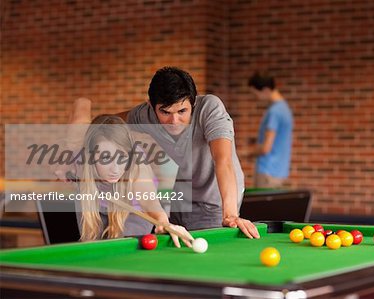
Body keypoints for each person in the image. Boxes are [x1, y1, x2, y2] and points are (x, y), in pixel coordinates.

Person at [61, 67, 259, 239]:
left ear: (193, 104)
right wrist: (71, 153)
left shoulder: (211, 109)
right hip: (179, 195)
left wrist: (231, 213)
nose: (174, 121)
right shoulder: (144, 115)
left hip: (215, 199)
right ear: (151, 106)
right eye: (165, 112)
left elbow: (222, 161)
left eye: (182, 111)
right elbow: (106, 125)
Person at [71, 114, 193, 248]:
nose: (115, 169)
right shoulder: (79, 160)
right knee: (91, 247)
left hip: (132, 211)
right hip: (94, 206)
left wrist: (164, 223)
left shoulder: (137, 164)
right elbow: (81, 107)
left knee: (121, 248)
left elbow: (149, 201)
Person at [248, 71, 293, 188]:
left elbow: (266, 148)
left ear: (266, 90)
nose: (256, 97)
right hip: (279, 171)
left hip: (267, 172)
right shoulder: (284, 109)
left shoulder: (274, 112)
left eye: (256, 93)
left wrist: (245, 154)